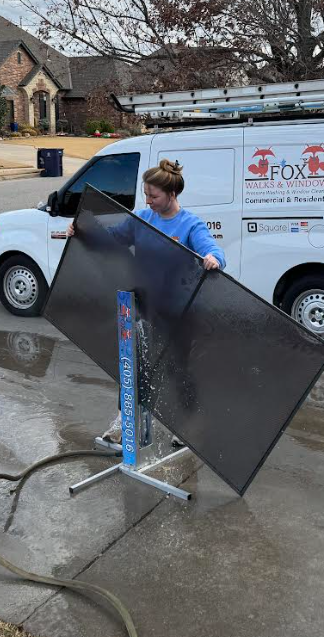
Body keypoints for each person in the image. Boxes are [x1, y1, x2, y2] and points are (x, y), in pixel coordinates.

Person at [66, 159, 226, 443]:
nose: (148, 201)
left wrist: (215, 259)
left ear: (172, 194)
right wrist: (82, 231)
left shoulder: (190, 224)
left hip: (179, 311)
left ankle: (185, 423)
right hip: (142, 306)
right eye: (146, 195)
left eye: (154, 196)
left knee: (178, 368)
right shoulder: (142, 220)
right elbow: (111, 238)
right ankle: (124, 421)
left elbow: (212, 249)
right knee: (132, 364)